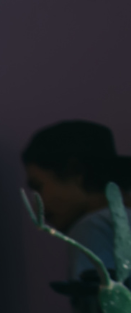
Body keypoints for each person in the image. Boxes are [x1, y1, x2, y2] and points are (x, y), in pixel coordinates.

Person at [22, 120, 123, 281]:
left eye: (38, 187)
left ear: (75, 172)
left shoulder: (93, 227)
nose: (36, 206)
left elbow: (101, 303)